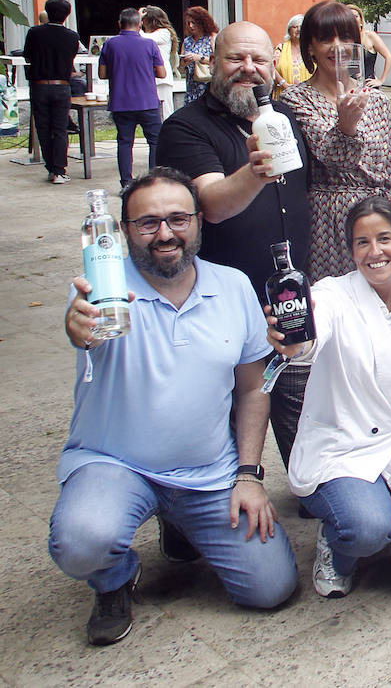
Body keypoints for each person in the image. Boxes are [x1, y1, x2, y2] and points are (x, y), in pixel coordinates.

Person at [51, 168, 297, 646]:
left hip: (209, 472)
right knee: (81, 543)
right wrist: (77, 328)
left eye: (178, 219)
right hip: (115, 463)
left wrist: (248, 475)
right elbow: (84, 332)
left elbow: (252, 389)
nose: (165, 233)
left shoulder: (233, 286)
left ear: (200, 221)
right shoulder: (100, 292)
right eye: (147, 223)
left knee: (272, 588)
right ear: (123, 230)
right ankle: (113, 578)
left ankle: (179, 520)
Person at [269, 196, 391, 601]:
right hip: (345, 449)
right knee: (368, 527)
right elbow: (310, 335)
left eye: (384, 239)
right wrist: (295, 343)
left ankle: (382, 525)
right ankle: (340, 546)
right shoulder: (333, 295)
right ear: (351, 251)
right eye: (361, 243)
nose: (374, 252)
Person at [157, 20, 314, 469]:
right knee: (222, 433)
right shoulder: (186, 129)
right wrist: (255, 170)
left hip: (289, 302)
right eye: (236, 58)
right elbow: (211, 204)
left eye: (259, 59)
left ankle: (316, 494)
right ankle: (218, 493)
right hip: (224, 307)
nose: (249, 69)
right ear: (212, 62)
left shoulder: (283, 120)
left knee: (307, 440)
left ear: (273, 66)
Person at [283, 0, 391, 281]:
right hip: (328, 222)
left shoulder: (377, 101)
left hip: (379, 217)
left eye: (345, 37)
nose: (337, 46)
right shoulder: (296, 100)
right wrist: (345, 126)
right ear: (310, 47)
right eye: (326, 38)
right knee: (336, 307)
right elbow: (332, 158)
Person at [100, 8, 166, 187]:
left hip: (121, 102)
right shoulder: (149, 45)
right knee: (155, 141)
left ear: (119, 24)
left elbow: (102, 74)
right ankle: (154, 179)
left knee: (124, 142)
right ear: (140, 24)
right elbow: (161, 73)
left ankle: (126, 183)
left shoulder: (110, 44)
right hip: (147, 101)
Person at [22, 0, 80, 183]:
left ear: (46, 12)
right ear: (67, 15)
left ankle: (51, 167)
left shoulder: (35, 33)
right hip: (62, 86)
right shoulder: (72, 36)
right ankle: (59, 169)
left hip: (39, 85)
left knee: (43, 128)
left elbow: (27, 56)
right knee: (60, 128)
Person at [140, 6, 178, 119]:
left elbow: (143, 37)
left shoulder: (164, 33)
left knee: (165, 113)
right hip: (151, 78)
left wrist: (136, 20)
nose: (142, 23)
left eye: (144, 20)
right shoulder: (157, 33)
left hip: (162, 80)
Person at [346, 4, 391, 88]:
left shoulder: (369, 36)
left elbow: (389, 57)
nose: (353, 19)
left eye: (355, 16)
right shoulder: (341, 40)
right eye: (349, 16)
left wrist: (381, 80)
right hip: (348, 87)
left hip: (369, 86)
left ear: (361, 21)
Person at [180, 6, 218, 105]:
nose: (191, 26)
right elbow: (181, 67)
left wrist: (199, 58)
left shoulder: (212, 38)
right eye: (188, 23)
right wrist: (184, 61)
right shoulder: (187, 41)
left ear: (202, 22)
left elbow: (219, 61)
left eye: (194, 23)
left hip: (208, 87)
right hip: (191, 88)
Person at [273, 14, 311, 98]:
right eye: (295, 27)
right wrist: (283, 83)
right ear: (289, 30)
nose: (298, 29)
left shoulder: (311, 49)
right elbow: (271, 67)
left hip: (309, 96)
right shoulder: (281, 48)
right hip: (283, 94)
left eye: (301, 26)